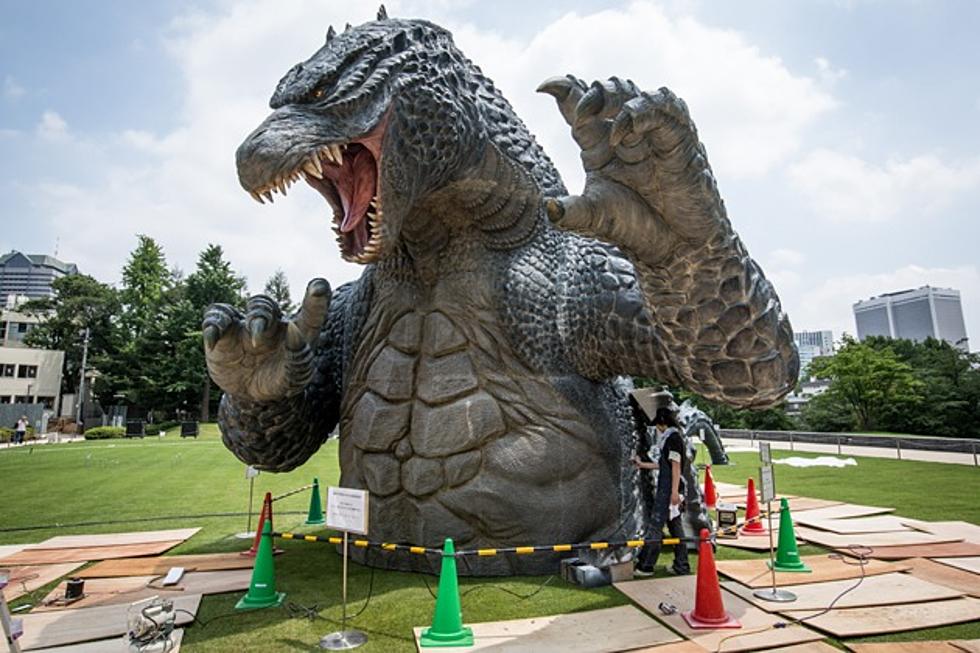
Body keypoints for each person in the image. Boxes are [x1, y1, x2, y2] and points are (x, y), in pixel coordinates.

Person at [633, 406, 690, 577]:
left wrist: (673, 492)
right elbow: (664, 465)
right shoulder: (671, 438)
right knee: (675, 528)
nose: (657, 428)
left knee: (655, 526)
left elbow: (676, 466)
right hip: (671, 486)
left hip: (669, 489)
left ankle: (646, 565)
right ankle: (682, 565)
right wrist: (643, 465)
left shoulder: (672, 439)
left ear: (663, 423)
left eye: (658, 425)